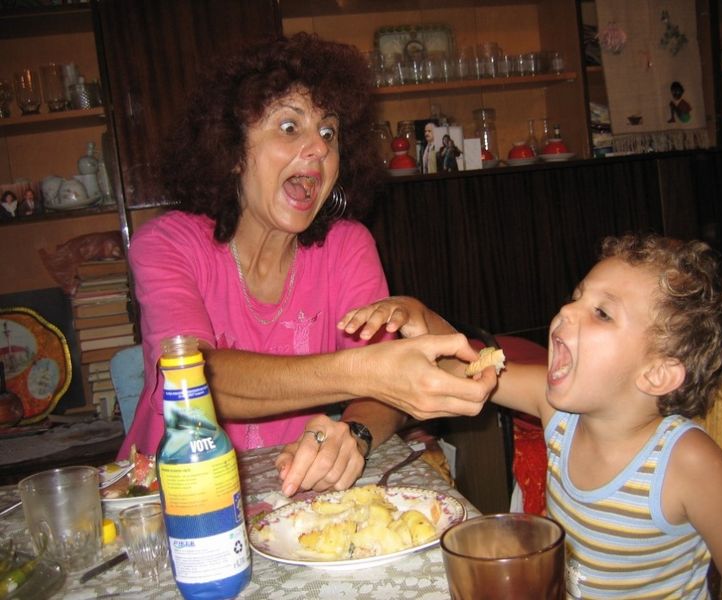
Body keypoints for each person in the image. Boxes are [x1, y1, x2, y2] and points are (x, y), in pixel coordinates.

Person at [119, 32, 496, 497]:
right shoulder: (167, 245)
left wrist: (354, 435)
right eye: (289, 126)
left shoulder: (347, 247)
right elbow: (193, 380)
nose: (318, 147)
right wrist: (363, 371)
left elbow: (386, 387)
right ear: (233, 150)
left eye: (329, 132)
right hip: (172, 498)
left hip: (293, 495)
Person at [340, 233, 722, 599]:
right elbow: (469, 368)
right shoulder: (560, 414)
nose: (566, 311)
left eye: (602, 313)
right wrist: (419, 315)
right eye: (576, 297)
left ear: (657, 373)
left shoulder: (687, 462)